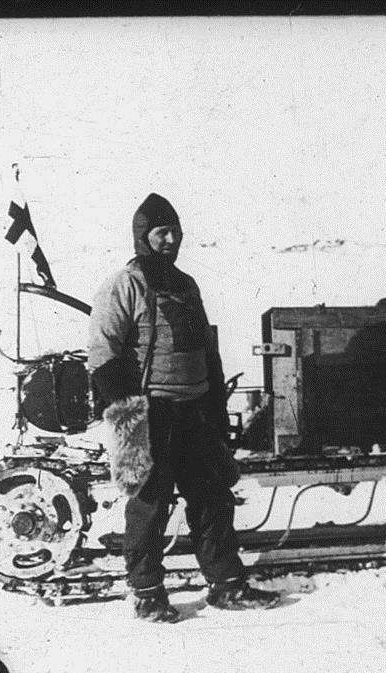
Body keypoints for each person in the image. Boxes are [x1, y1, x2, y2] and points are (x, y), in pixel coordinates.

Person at [88, 192, 283, 622]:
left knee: (213, 499)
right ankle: (147, 593)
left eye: (175, 231)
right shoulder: (125, 285)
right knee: (150, 504)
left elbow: (205, 350)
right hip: (152, 415)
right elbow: (103, 356)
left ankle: (227, 586)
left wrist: (215, 407)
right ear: (143, 236)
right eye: (161, 232)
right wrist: (129, 418)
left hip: (196, 414)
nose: (171, 239)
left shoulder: (186, 284)